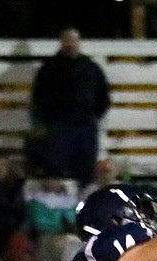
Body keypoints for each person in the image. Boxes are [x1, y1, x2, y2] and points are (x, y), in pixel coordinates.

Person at [29, 28, 110, 186]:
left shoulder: (91, 68)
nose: (70, 44)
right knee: (57, 171)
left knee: (85, 173)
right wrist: (47, 122)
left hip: (85, 127)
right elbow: (39, 97)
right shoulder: (49, 68)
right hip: (59, 127)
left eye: (74, 40)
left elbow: (103, 96)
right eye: (67, 40)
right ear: (61, 42)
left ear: (79, 43)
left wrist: (94, 117)